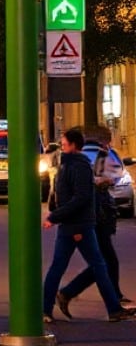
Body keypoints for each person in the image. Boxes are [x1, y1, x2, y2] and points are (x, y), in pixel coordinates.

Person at [43, 127, 136, 323]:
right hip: (80, 225)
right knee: (99, 266)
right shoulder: (79, 166)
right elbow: (82, 198)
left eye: (64, 143)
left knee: (61, 267)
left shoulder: (67, 166)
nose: (62, 146)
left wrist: (57, 216)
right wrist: (56, 217)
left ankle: (47, 308)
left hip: (72, 224)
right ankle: (112, 308)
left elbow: (67, 197)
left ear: (74, 146)